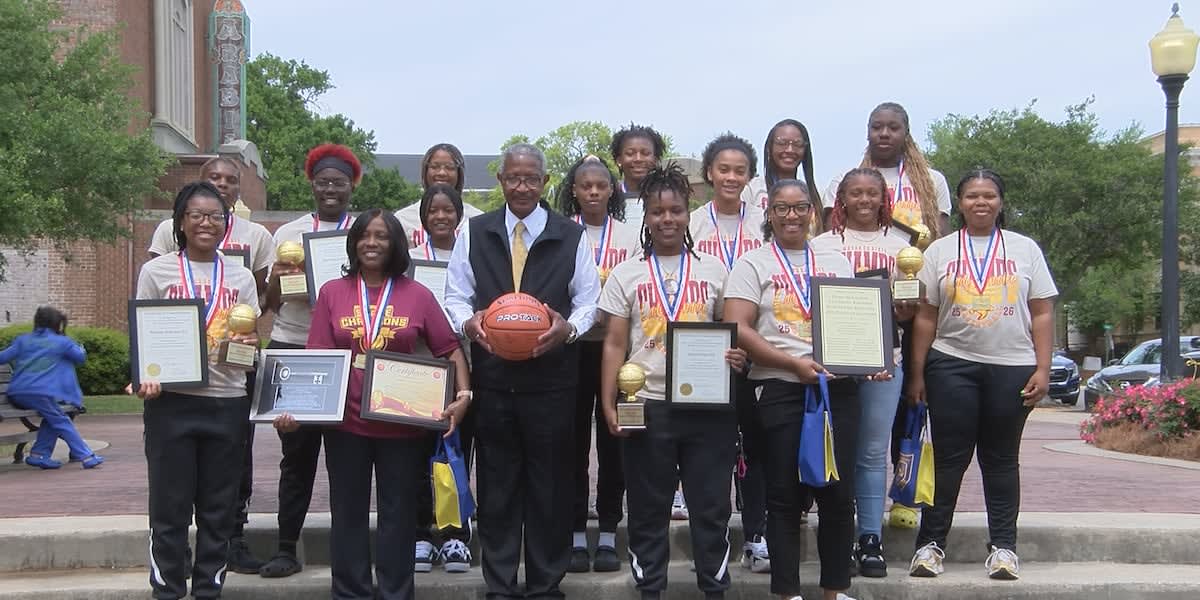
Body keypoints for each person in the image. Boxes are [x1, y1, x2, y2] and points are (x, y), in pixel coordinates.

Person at [275, 208, 472, 600]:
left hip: (402, 423)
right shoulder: (333, 291)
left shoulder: (417, 294)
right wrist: (299, 411)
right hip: (345, 423)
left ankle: (396, 592)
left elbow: (449, 348)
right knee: (347, 514)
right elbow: (318, 358)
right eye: (365, 235)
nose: (372, 243)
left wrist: (463, 396)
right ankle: (350, 592)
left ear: (396, 243)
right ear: (354, 242)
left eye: (381, 236)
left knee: (398, 517)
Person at [444, 143, 601, 599]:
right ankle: (499, 584)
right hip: (494, 380)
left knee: (550, 487)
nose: (522, 186)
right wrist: (468, 323)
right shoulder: (474, 232)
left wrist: (568, 329)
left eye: (532, 178)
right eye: (514, 178)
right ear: (501, 181)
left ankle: (545, 585)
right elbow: (455, 295)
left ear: (545, 183)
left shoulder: (570, 235)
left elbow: (589, 300)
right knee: (497, 487)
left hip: (552, 383)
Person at [723, 179, 879, 600]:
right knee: (784, 495)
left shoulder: (836, 262)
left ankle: (834, 590)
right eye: (782, 208)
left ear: (813, 212)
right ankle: (787, 591)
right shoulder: (752, 264)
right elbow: (738, 327)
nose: (791, 215)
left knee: (837, 490)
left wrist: (870, 359)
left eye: (800, 207)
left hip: (836, 390)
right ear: (769, 214)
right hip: (778, 387)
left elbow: (860, 322)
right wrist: (794, 364)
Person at [598, 163, 745, 600]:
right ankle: (650, 589)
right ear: (645, 215)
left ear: (688, 213)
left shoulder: (717, 270)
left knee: (711, 507)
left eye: (676, 211)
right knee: (647, 508)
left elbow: (732, 331)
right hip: (647, 402)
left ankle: (714, 588)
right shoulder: (627, 273)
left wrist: (737, 356)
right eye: (658, 211)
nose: (667, 219)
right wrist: (608, 402)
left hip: (709, 406)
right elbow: (614, 344)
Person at [906, 170, 1056, 581]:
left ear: (1001, 202)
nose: (981, 202)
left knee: (1001, 459)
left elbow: (1042, 311)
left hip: (1012, 366)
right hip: (952, 362)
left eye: (989, 195)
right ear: (959, 203)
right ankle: (930, 547)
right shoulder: (940, 251)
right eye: (972, 195)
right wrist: (917, 373)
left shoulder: (1025, 249)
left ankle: (1004, 549)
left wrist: (1043, 367)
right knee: (949, 460)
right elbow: (925, 316)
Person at [134, 181, 261, 600]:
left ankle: (209, 589)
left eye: (216, 216)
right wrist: (144, 373)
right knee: (169, 511)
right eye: (197, 215)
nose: (207, 223)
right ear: (181, 222)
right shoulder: (157, 271)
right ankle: (166, 591)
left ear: (226, 224)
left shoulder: (241, 276)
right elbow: (143, 334)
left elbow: (249, 340)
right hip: (171, 403)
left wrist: (248, 347)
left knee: (218, 510)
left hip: (227, 402)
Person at [258, 143, 359, 578]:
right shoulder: (289, 233)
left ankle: (349, 551)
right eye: (323, 182)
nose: (330, 189)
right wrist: (279, 280)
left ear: (351, 185)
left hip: (349, 352)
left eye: (339, 182)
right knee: (296, 455)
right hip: (295, 346)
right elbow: (269, 303)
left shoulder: (366, 230)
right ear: (312, 185)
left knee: (348, 458)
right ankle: (285, 547)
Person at [811, 168, 912, 578]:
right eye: (856, 193)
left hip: (884, 360)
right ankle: (837, 537)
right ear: (842, 199)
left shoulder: (901, 247)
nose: (865, 200)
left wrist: (904, 307)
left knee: (871, 452)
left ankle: (870, 538)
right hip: (830, 361)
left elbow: (908, 312)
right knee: (834, 453)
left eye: (873, 193)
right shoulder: (819, 245)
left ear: (884, 198)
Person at [689, 132, 771, 569]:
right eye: (724, 169)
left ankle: (757, 535)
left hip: (755, 347)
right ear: (709, 173)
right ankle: (715, 536)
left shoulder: (764, 222)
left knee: (755, 447)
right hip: (703, 352)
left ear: (751, 176)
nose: (731, 177)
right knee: (712, 450)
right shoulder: (691, 224)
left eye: (740, 170)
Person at [556, 155, 639, 574]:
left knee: (615, 440)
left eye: (600, 186)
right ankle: (573, 530)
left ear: (612, 190)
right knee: (571, 444)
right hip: (571, 349)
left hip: (618, 352)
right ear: (574, 189)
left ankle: (607, 529)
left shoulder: (630, 236)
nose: (592, 192)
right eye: (585, 185)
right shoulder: (560, 233)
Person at [407, 184, 476, 574]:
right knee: (418, 454)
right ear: (423, 217)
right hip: (421, 367)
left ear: (459, 215)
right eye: (433, 210)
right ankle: (420, 533)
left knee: (457, 454)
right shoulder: (409, 260)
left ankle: (456, 535)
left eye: (449, 210)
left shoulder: (472, 256)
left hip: (465, 362)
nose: (441, 216)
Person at [823, 102, 951, 240]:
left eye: (894, 128)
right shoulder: (843, 180)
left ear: (906, 133)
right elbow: (831, 233)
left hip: (918, 259)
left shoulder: (932, 180)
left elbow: (942, 236)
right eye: (877, 128)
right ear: (868, 132)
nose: (884, 134)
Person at [0, 306, 102, 469]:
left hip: (16, 394)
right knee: (61, 420)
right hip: (40, 393)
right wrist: (80, 347)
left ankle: (39, 454)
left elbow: (2, 357)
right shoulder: (62, 342)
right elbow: (80, 357)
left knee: (53, 416)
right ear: (57, 324)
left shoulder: (23, 340)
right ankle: (86, 456)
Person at [394, 143, 484, 249]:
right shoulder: (403, 219)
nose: (442, 173)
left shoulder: (478, 219)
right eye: (435, 167)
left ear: (459, 173)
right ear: (425, 171)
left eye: (449, 167)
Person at [743, 119, 823, 233]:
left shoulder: (811, 194)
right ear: (769, 148)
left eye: (797, 144)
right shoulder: (753, 188)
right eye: (782, 143)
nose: (790, 150)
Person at [610, 123, 668, 232]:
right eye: (630, 153)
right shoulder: (609, 196)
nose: (638, 159)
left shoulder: (667, 195)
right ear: (619, 160)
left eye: (645, 153)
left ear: (655, 160)